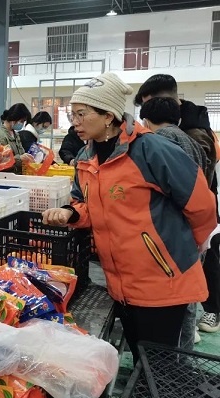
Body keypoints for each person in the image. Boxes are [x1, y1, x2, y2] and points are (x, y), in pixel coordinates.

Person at [43, 72, 216, 364]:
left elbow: (202, 205)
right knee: (140, 363)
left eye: (82, 114)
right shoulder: (86, 157)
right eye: (73, 114)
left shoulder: (151, 150)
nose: (75, 122)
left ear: (108, 116)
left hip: (162, 281)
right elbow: (87, 203)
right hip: (121, 282)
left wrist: (182, 249)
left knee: (158, 368)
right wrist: (71, 213)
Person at [135, 74, 220, 335]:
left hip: (182, 227)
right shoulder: (190, 135)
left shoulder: (164, 140)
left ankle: (178, 347)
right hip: (197, 225)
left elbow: (189, 191)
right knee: (188, 294)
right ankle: (184, 342)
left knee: (179, 296)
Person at [0, 103, 34, 174]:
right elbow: (1, 161)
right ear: (14, 118)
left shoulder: (15, 134)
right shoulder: (1, 136)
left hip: (17, 173)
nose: (22, 124)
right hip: (6, 175)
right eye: (21, 121)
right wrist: (19, 158)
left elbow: (21, 152)